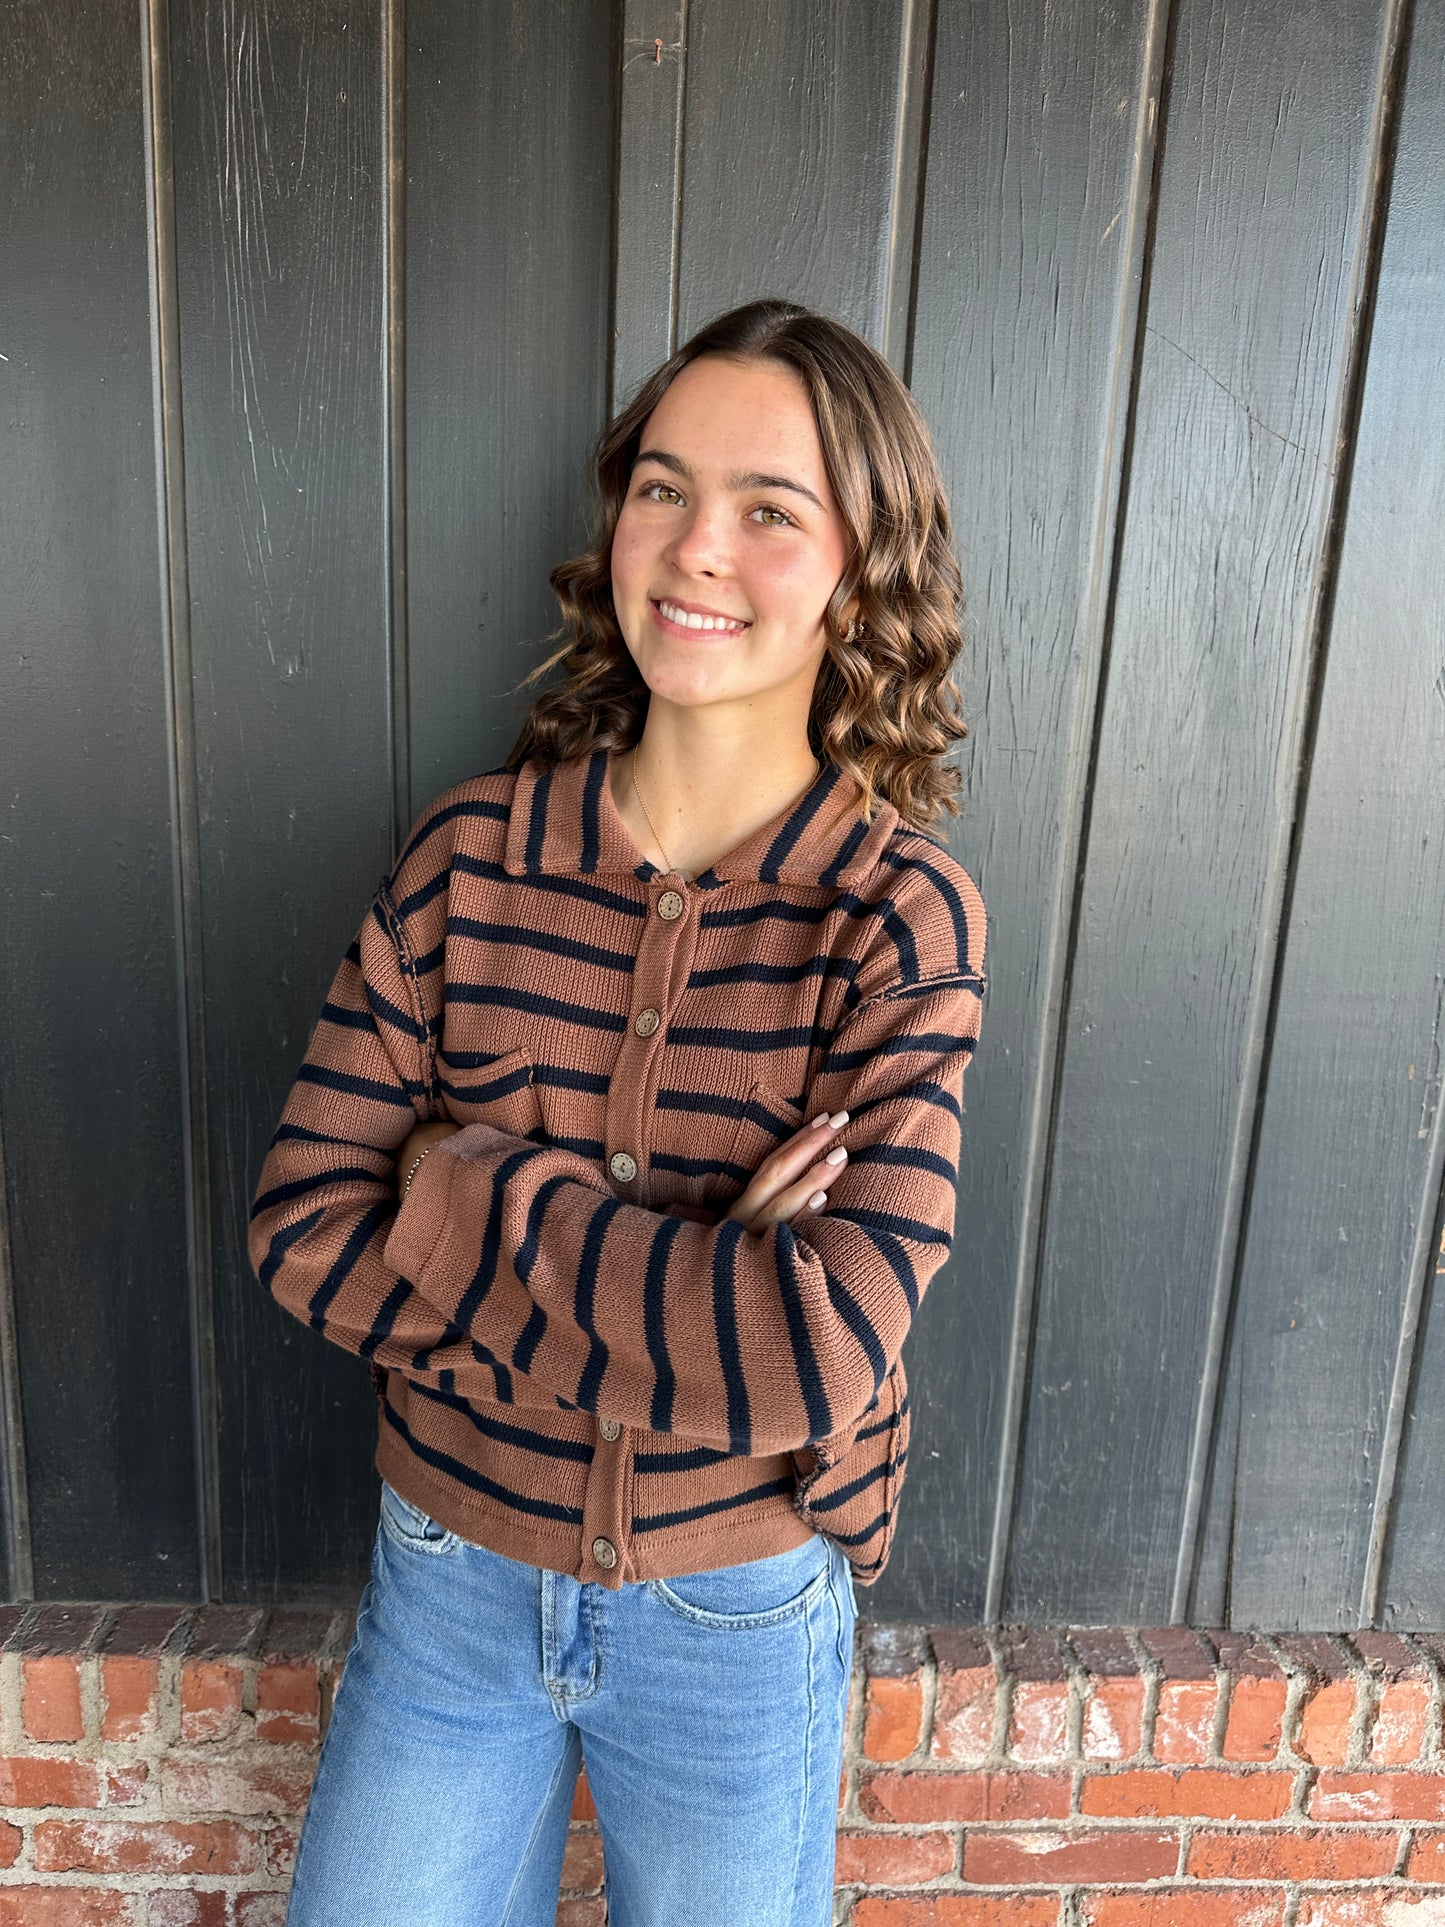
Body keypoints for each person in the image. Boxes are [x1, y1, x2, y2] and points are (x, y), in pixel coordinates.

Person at [249, 297, 988, 1926]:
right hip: (447, 1584)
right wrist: (705, 1290)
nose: (695, 546)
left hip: (735, 1616)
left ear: (863, 565)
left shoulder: (894, 915)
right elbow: (301, 1231)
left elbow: (816, 1356)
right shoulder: (469, 860)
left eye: (769, 508)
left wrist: (450, 1188)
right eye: (663, 487)